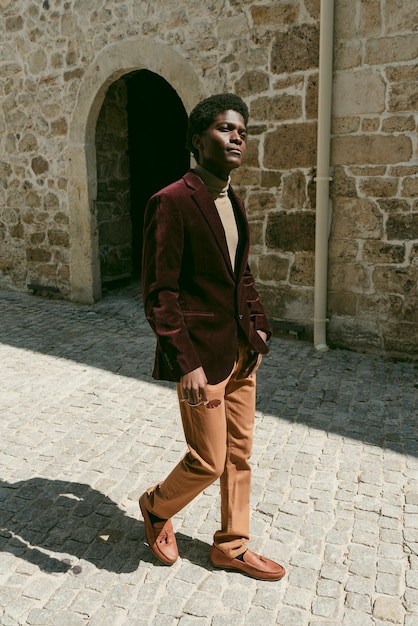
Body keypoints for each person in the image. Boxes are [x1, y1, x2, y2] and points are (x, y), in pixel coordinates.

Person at [139, 93, 285, 581]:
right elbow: (161, 294)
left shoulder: (233, 200)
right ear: (197, 139)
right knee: (208, 459)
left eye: (242, 131)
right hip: (201, 357)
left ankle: (232, 545)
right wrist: (186, 363)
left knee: (240, 455)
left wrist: (259, 323)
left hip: (241, 351)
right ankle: (157, 506)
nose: (237, 137)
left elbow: (240, 274)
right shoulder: (172, 202)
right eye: (226, 128)